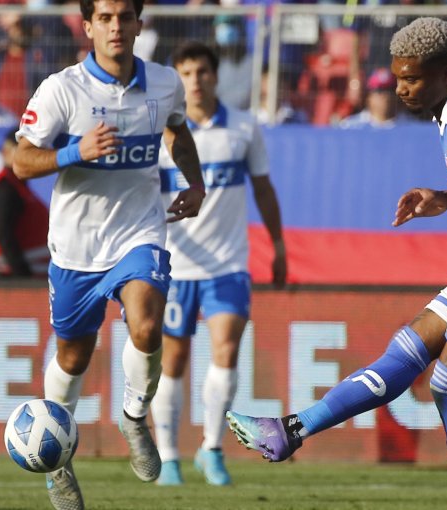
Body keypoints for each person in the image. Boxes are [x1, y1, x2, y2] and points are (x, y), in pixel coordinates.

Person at [226, 17, 447, 510]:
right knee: (410, 345)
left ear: (446, 72)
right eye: (397, 77)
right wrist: (446, 198)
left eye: (411, 78)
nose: (400, 89)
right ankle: (292, 429)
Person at [12, 1, 205, 509]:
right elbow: (21, 160)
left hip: (139, 232)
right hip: (76, 247)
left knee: (146, 325)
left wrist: (197, 182)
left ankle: (134, 416)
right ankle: (58, 462)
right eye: (105, 17)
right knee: (73, 357)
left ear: (140, 23)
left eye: (125, 16)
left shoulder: (164, 84)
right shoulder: (62, 89)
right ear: (88, 25)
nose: (116, 26)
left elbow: (178, 131)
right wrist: (76, 151)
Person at [150, 41, 287, 487]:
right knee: (172, 360)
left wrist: (279, 245)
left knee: (226, 349)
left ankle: (211, 448)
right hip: (175, 264)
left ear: (214, 75)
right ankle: (169, 455)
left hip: (228, 263)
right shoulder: (159, 134)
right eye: (186, 72)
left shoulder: (244, 127)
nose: (194, 80)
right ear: (177, 78)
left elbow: (264, 189)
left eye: (202, 72)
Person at [0, 128, 49, 279]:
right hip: (15, 275)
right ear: (7, 152)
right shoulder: (6, 188)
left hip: (28, 271)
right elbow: (4, 234)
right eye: (25, 151)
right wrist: (22, 277)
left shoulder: (17, 185)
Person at [340, 67, 404, 128]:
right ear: (369, 96)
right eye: (379, 90)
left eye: (390, 90)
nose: (386, 95)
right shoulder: (350, 126)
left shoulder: (410, 127)